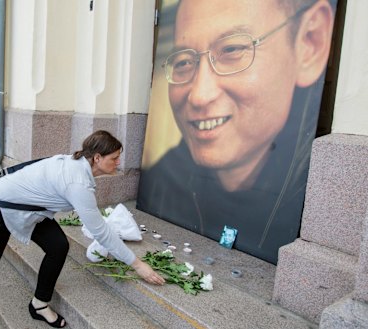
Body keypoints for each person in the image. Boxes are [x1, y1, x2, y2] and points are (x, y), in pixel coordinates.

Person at [137, 0, 335, 264]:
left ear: (310, 42)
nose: (199, 95)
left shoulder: (318, 204)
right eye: (184, 62)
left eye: (232, 49)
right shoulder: (161, 181)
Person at [0, 130, 165, 329]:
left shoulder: (76, 163)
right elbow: (101, 232)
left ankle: (39, 304)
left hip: (24, 209)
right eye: (115, 158)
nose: (119, 162)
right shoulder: (78, 182)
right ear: (98, 158)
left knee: (58, 245)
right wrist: (137, 264)